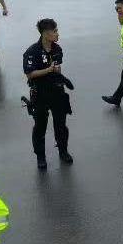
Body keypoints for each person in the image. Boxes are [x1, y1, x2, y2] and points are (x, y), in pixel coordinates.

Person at [22, 18, 75, 169]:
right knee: (40, 127)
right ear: (45, 34)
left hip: (57, 91)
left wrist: (57, 72)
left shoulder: (57, 49)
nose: (58, 34)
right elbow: (30, 74)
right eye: (55, 31)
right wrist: (48, 70)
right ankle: (41, 157)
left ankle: (63, 151)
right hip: (40, 94)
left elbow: (57, 67)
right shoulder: (32, 52)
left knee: (61, 125)